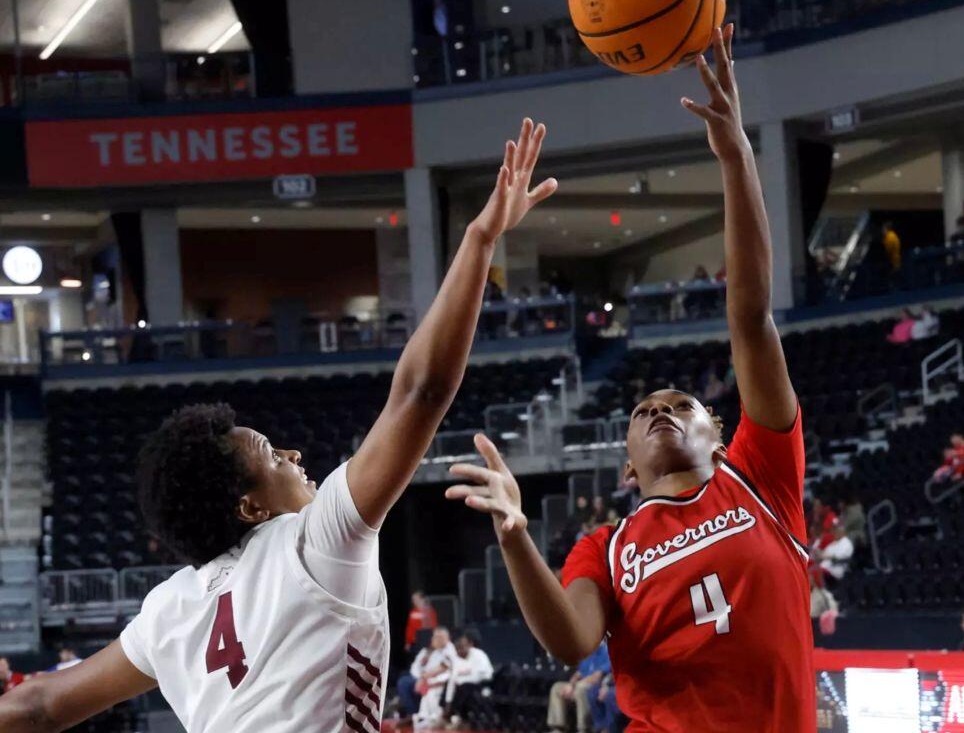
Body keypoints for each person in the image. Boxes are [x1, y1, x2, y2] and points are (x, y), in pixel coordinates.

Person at [0, 120, 558, 733]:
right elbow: (420, 393)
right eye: (270, 454)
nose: (293, 453)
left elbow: (40, 705)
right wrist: (480, 240)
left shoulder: (171, 606)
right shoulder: (314, 541)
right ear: (249, 507)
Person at [445, 27, 816, 733]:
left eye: (683, 405)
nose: (663, 412)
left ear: (720, 432)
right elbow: (570, 640)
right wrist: (517, 535)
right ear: (625, 465)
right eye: (645, 410)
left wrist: (738, 159)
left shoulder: (761, 477)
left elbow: (752, 320)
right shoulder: (608, 548)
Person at [546, 642, 610, 733]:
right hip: (580, 684)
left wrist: (576, 685)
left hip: (598, 686)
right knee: (556, 688)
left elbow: (597, 676)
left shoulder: (605, 651)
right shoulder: (588, 652)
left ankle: (583, 728)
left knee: (581, 688)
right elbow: (578, 673)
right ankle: (558, 727)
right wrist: (570, 685)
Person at [398, 627, 455, 723]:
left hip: (436, 680)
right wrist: (420, 677)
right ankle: (412, 714)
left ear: (447, 638)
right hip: (420, 677)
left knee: (405, 683)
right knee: (404, 680)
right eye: (435, 636)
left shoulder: (449, 649)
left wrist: (423, 678)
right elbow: (415, 666)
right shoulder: (428, 651)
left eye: (440, 637)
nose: (436, 639)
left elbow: (443, 667)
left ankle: (414, 714)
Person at [443, 630, 494, 729]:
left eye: (461, 648)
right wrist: (448, 701)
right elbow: (453, 679)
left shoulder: (478, 655)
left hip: (485, 684)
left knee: (464, 688)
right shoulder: (457, 658)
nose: (459, 651)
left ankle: (458, 717)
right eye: (457, 649)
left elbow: (478, 676)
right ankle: (455, 716)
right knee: (452, 686)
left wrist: (461, 679)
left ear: (468, 646)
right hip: (465, 686)